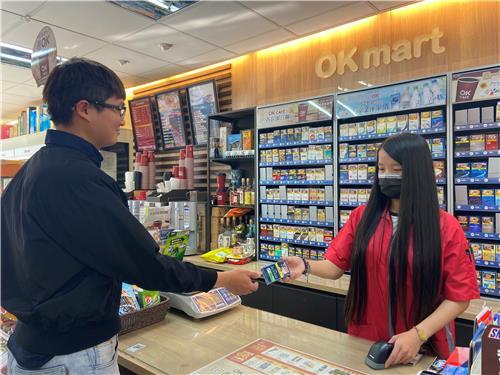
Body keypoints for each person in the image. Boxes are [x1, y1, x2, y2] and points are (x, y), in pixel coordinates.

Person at [1, 58, 259, 374]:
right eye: (117, 108)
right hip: (72, 354)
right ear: (84, 109)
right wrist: (220, 279)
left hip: (31, 347)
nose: (120, 120)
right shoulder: (79, 178)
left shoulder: (30, 172)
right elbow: (144, 264)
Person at [285, 133, 479, 368]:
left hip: (424, 348)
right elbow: (336, 266)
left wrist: (417, 334)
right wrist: (305, 265)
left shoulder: (445, 227)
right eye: (381, 168)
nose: (386, 176)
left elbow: (459, 298)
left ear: (417, 172)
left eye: (396, 169)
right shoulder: (362, 217)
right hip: (366, 341)